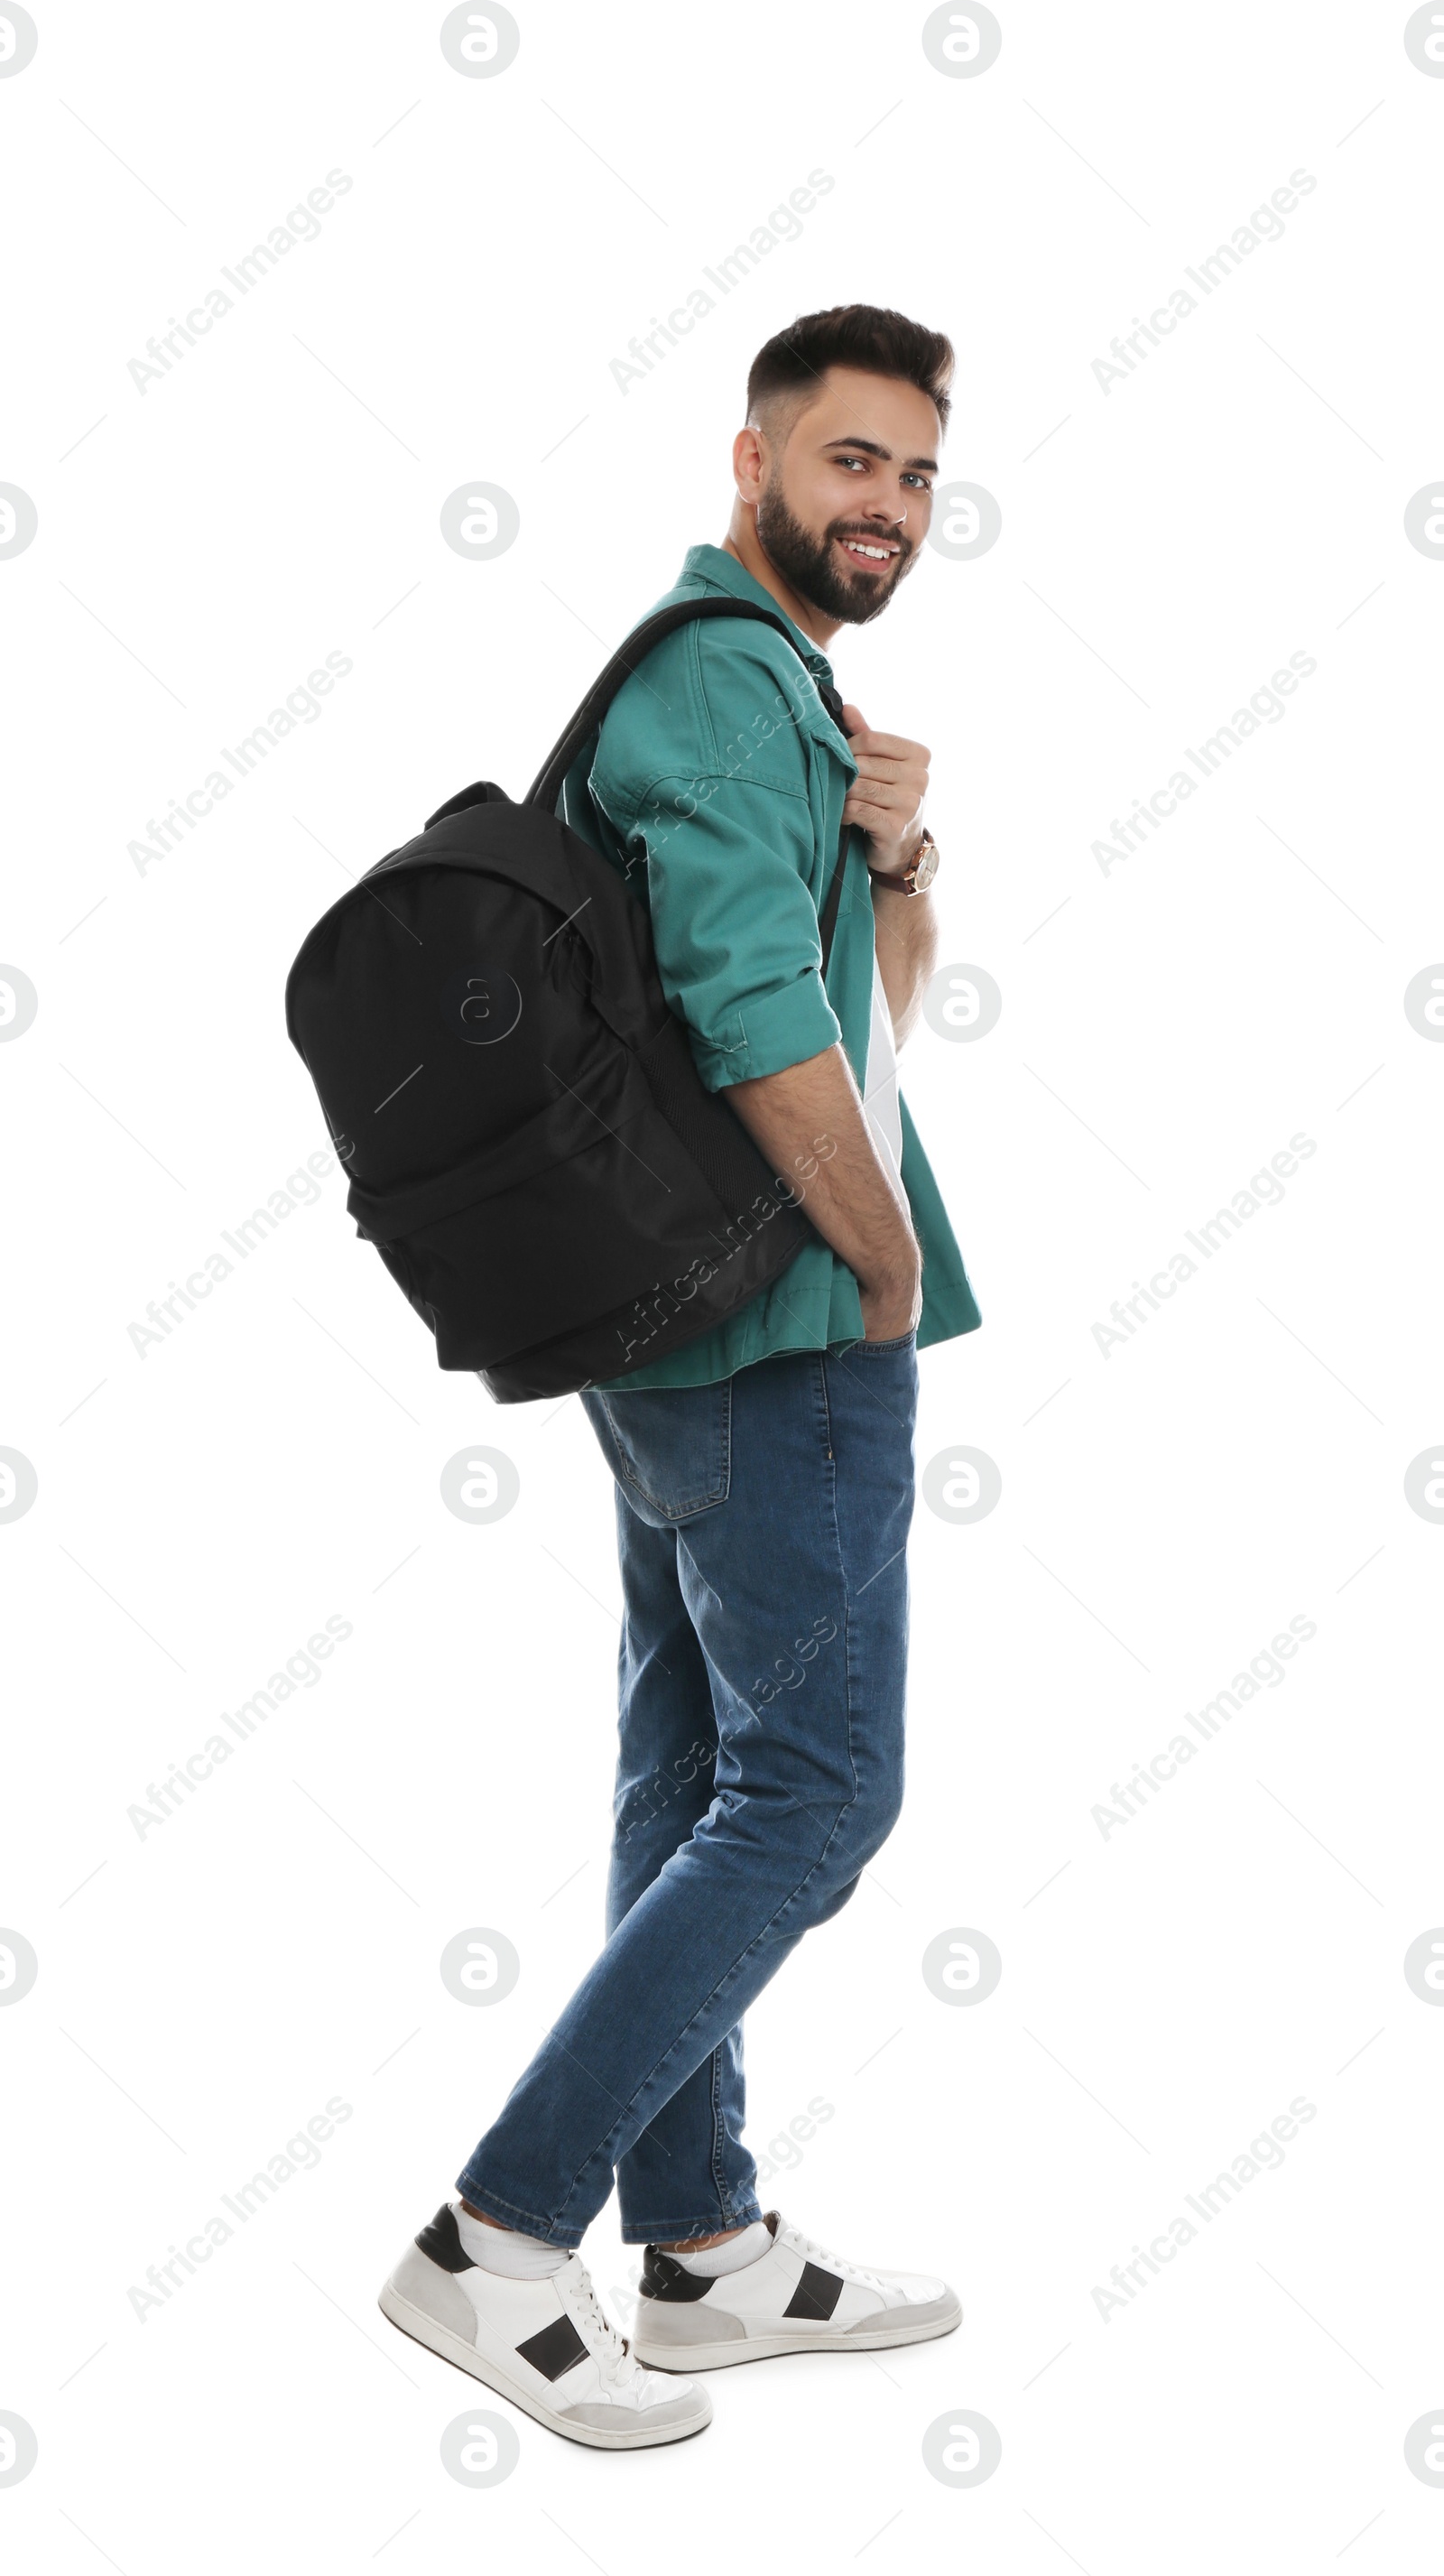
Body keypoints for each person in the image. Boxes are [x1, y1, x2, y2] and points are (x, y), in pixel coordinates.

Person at [380, 304, 982, 2449]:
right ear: (750, 464)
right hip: (778, 1329)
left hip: (678, 1333)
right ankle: (497, 2236)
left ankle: (701, 2243)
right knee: (818, 1793)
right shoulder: (724, 687)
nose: (882, 506)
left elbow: (861, 991)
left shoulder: (765, 690)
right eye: (846, 463)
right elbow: (750, 1016)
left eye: (913, 473)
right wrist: (887, 1259)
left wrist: (892, 851)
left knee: (687, 1778)